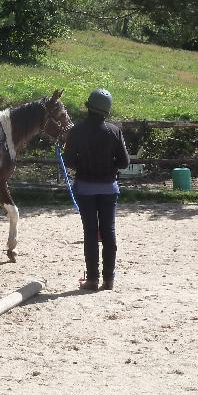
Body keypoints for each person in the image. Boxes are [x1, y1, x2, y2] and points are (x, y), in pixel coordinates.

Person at [62, 88, 130, 291]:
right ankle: (109, 279)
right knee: (108, 232)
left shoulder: (76, 131)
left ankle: (92, 279)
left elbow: (69, 161)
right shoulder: (114, 131)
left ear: (88, 106)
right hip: (109, 189)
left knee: (90, 233)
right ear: (106, 111)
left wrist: (83, 166)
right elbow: (125, 162)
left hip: (85, 189)